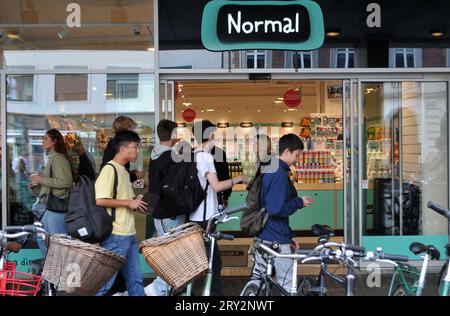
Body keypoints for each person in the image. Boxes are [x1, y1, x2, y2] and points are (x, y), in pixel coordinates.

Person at [242, 133, 315, 294]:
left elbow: (271, 208)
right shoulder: (279, 174)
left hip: (264, 236)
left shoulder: (271, 168)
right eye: (297, 155)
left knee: (258, 282)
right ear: (287, 151)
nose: (297, 159)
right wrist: (299, 202)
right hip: (276, 239)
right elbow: (276, 209)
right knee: (287, 285)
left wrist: (290, 235)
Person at [190, 120, 248, 296]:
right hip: (206, 216)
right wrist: (238, 179)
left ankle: (190, 292)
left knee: (197, 258)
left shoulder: (190, 154)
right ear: (211, 135)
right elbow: (216, 186)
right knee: (213, 261)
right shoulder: (206, 156)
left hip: (191, 214)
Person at [95, 130, 148, 296]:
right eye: (135, 146)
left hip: (129, 233)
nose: (137, 151)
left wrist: (135, 201)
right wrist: (129, 202)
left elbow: (122, 197)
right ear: (123, 149)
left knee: (136, 279)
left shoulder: (124, 171)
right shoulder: (109, 169)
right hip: (116, 235)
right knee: (105, 283)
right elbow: (100, 199)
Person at [144, 119, 180, 296]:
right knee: (172, 254)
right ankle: (158, 289)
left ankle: (164, 288)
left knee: (166, 252)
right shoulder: (172, 158)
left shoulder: (155, 155)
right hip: (169, 213)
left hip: (159, 212)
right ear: (173, 135)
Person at [30, 129, 74, 256]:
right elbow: (54, 184)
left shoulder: (58, 158)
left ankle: (54, 273)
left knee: (55, 247)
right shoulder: (54, 158)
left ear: (54, 141)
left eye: (45, 139)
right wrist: (37, 185)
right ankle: (50, 272)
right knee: (47, 242)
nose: (42, 141)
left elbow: (66, 182)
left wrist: (40, 179)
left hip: (56, 209)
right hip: (52, 209)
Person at [100, 116, 144, 182]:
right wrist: (136, 176)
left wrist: (133, 173)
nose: (133, 131)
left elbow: (121, 170)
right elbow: (117, 176)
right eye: (132, 128)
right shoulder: (115, 144)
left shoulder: (114, 143)